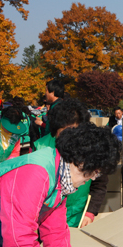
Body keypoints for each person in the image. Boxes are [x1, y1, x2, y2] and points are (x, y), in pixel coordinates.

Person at [34, 98, 108, 228]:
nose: (70, 138)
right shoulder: (40, 147)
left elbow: (99, 185)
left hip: (78, 215)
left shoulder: (92, 148)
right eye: (64, 132)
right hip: (45, 216)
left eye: (74, 131)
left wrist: (90, 212)